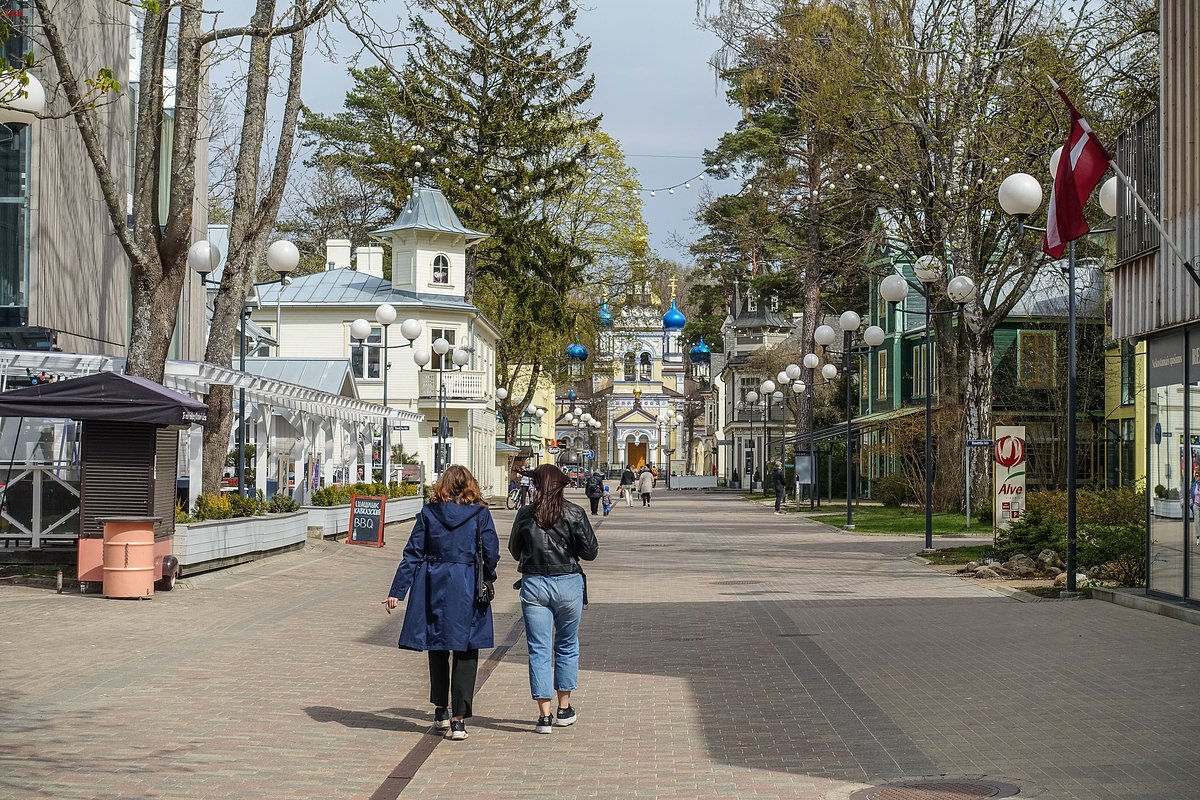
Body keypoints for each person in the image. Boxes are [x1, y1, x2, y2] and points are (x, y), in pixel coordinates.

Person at [383, 465, 499, 742]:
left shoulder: (428, 513)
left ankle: (440, 710)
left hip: (432, 583)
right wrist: (488, 575)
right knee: (467, 649)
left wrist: (397, 591)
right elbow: (491, 551)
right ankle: (459, 720)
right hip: (467, 582)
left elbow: (412, 553)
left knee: (437, 646)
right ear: (471, 485)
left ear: (442, 486)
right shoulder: (480, 514)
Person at [508, 464, 599, 734]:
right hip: (568, 584)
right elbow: (590, 552)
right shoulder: (574, 512)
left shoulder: (526, 514)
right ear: (560, 484)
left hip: (534, 584)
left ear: (537, 485)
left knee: (538, 649)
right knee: (567, 644)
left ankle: (544, 716)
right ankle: (564, 708)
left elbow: (515, 551)